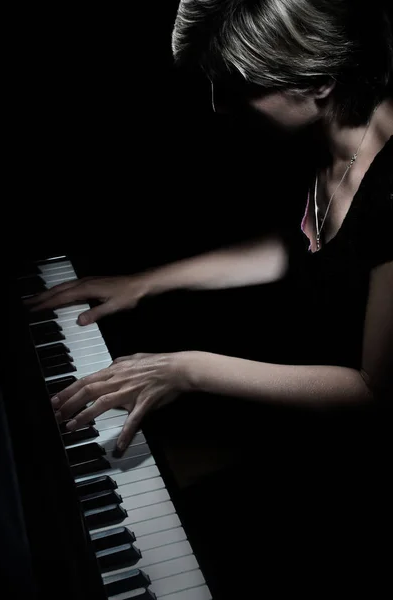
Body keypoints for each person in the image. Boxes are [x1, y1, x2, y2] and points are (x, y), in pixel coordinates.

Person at [26, 1, 392, 596]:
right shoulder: (334, 135)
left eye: (238, 89)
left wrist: (190, 369)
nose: (219, 108)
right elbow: (300, 248)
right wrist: (146, 280)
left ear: (319, 80)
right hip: (301, 435)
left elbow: (375, 391)